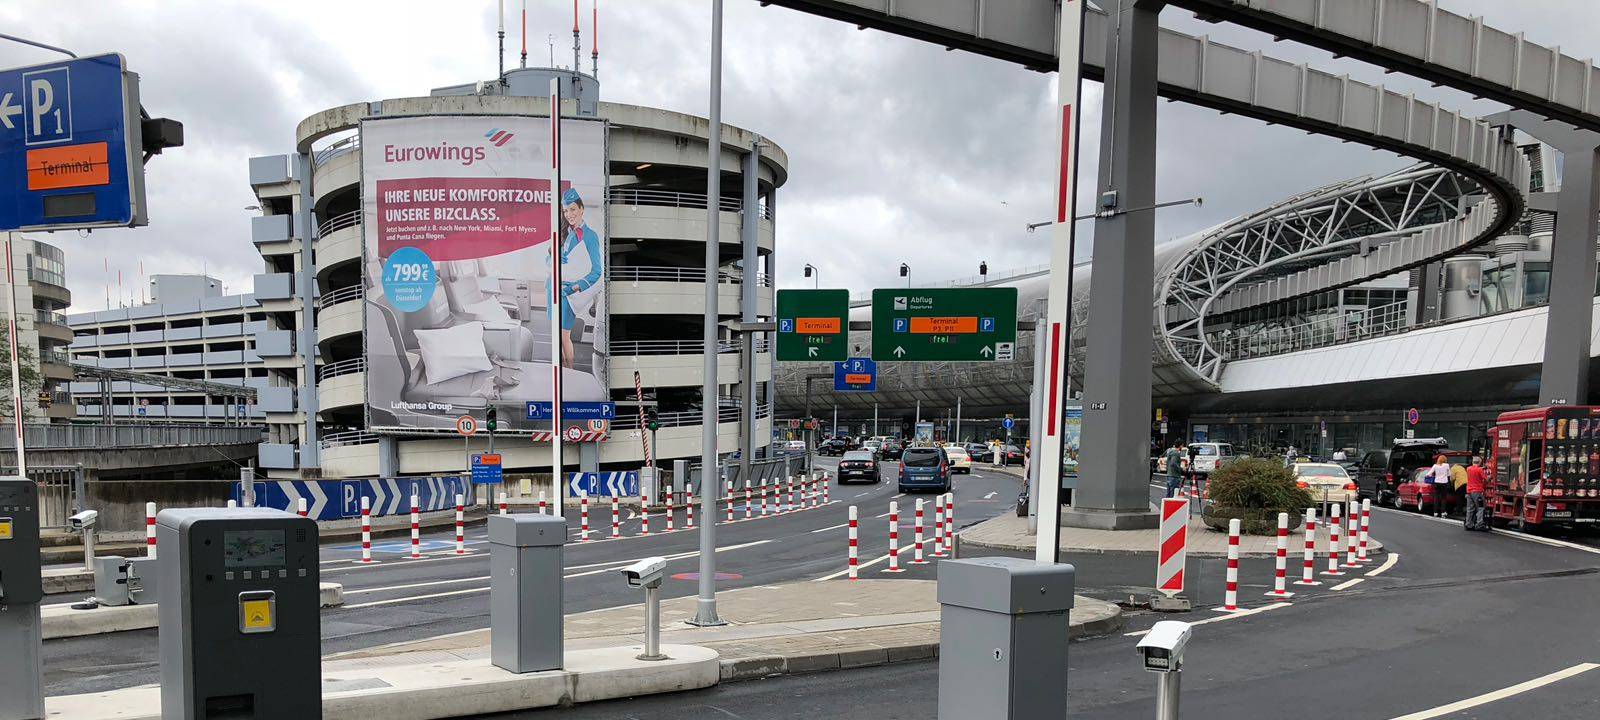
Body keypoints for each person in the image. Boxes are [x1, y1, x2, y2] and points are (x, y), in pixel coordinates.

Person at [548, 188, 604, 369]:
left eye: (572, 209)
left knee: (564, 336)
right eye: (565, 211)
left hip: (567, 293)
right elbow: (548, 260)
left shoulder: (591, 236)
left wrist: (573, 288)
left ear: (581, 209)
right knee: (556, 335)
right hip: (552, 288)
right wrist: (553, 257)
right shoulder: (562, 232)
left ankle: (570, 372)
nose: (569, 214)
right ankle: (561, 370)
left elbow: (597, 271)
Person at [1464, 456, 1489, 531]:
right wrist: (1490, 476)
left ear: (1472, 462)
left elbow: (1475, 470)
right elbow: (1486, 479)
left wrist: (1482, 468)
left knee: (1470, 508)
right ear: (1480, 462)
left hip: (1469, 491)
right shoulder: (1479, 470)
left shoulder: (1468, 469)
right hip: (1477, 491)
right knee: (1481, 507)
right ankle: (1479, 524)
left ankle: (1468, 524)